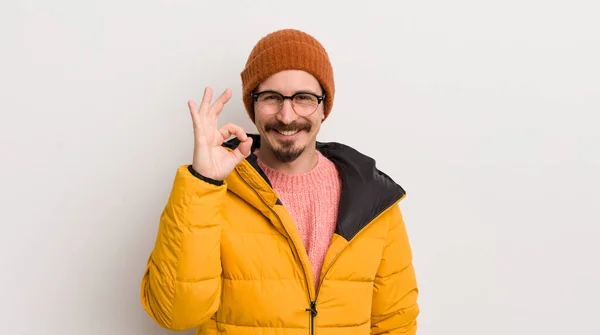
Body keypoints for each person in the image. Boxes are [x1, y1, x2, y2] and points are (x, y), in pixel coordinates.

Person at [140, 28, 419, 335]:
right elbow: (176, 314)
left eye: (303, 98)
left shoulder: (374, 201)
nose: (287, 116)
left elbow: (395, 324)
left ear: (324, 106)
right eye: (272, 98)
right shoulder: (212, 193)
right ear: (253, 105)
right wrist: (202, 181)